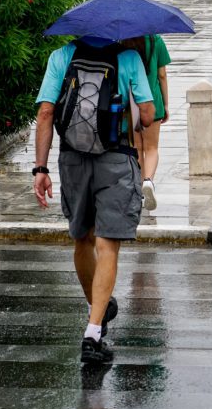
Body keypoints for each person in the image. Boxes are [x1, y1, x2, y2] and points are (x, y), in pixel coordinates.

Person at [33, 36, 154, 364]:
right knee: (107, 245)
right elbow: (147, 114)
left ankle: (96, 306)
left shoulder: (62, 55)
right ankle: (93, 331)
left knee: (83, 238)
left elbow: (46, 113)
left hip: (72, 160)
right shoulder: (129, 57)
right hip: (117, 159)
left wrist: (40, 168)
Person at [123, 35, 171, 211]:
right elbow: (162, 74)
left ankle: (140, 188)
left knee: (137, 147)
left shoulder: (123, 41)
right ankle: (148, 181)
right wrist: (166, 104)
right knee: (151, 148)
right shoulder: (156, 40)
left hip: (132, 102)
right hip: (152, 102)